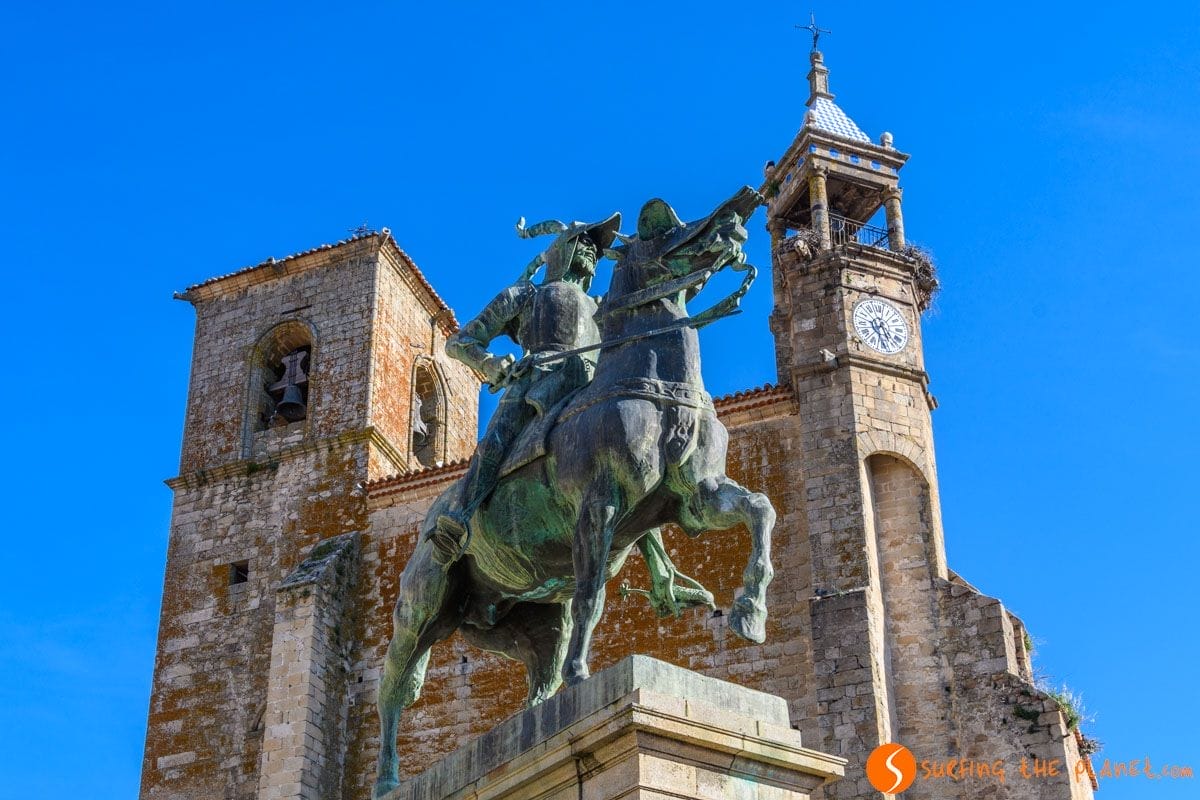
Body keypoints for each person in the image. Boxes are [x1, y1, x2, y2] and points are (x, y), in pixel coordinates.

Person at [428, 213, 620, 560]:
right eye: (584, 242)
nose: (592, 250)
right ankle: (459, 518)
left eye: (596, 247)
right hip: (538, 377)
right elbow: (459, 342)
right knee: (496, 441)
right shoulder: (526, 294)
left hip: (589, 383)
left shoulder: (599, 308)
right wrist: (488, 363)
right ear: (561, 249)